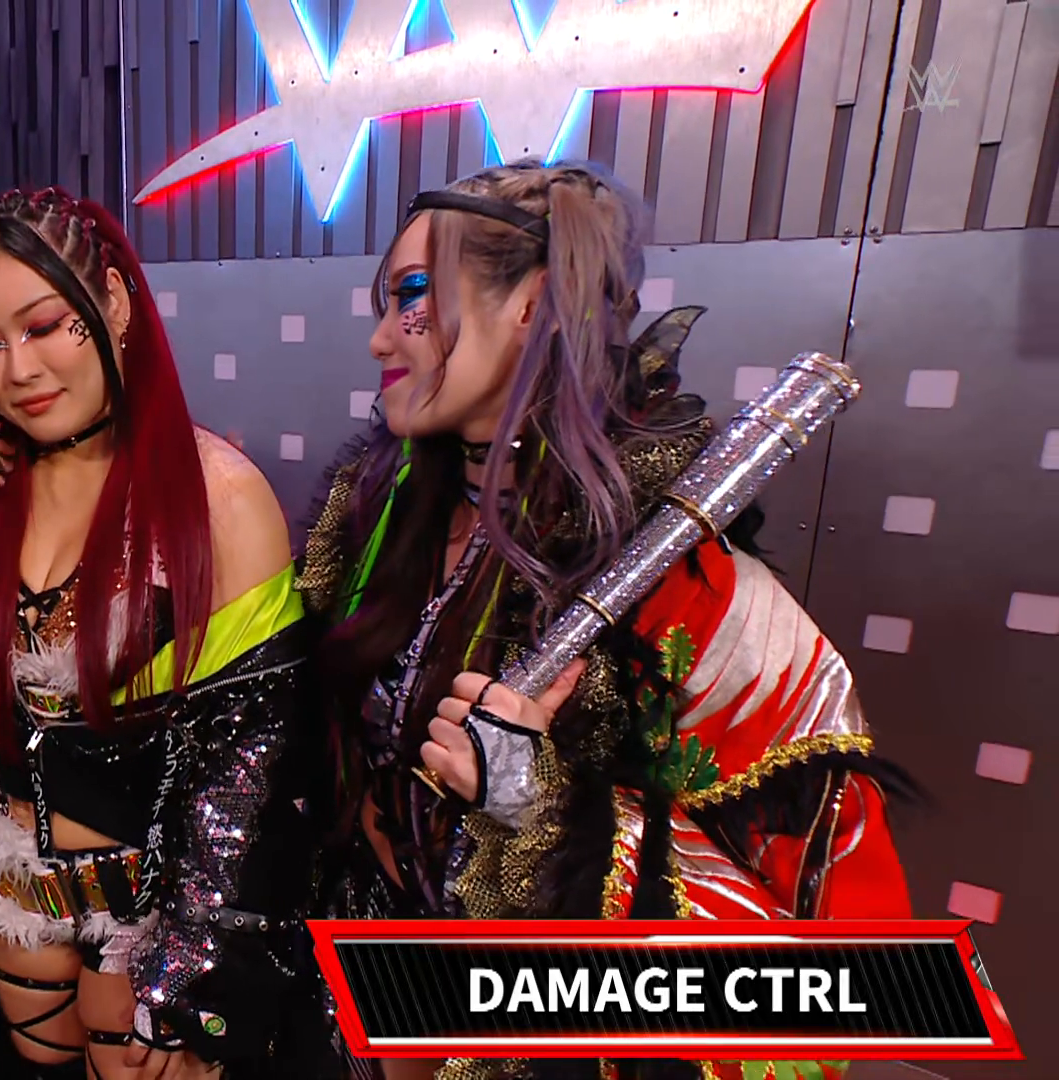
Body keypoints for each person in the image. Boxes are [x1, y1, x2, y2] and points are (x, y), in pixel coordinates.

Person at [298, 162, 917, 1080]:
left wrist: (538, 806)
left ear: (532, 304)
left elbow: (835, 944)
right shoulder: (375, 515)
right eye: (385, 304)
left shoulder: (684, 584)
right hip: (351, 987)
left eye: (415, 296)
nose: (382, 337)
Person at [0, 188, 337, 1079]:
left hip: (151, 911)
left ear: (115, 301)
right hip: (8, 889)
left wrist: (190, 977)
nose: (19, 370)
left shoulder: (215, 497)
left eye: (44, 326)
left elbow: (251, 767)